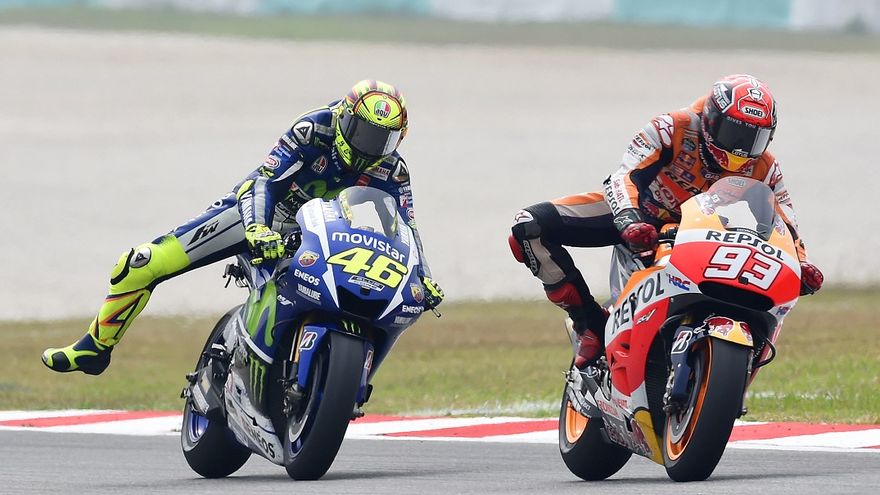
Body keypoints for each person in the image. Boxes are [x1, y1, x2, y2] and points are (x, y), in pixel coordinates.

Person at [43, 80, 444, 375]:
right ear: (345, 118)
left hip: (317, 235)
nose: (370, 147)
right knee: (141, 262)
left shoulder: (392, 169)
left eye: (383, 140)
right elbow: (264, 182)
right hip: (256, 213)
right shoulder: (314, 129)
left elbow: (406, 226)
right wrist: (257, 229)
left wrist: (423, 276)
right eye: (364, 133)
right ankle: (95, 347)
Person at [508, 74, 823, 369]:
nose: (740, 149)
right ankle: (588, 323)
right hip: (637, 215)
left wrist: (801, 263)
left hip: (699, 234)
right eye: (735, 133)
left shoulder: (765, 166)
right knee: (528, 226)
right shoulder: (672, 127)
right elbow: (623, 176)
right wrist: (629, 218)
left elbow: (786, 221)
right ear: (711, 119)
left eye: (755, 139)